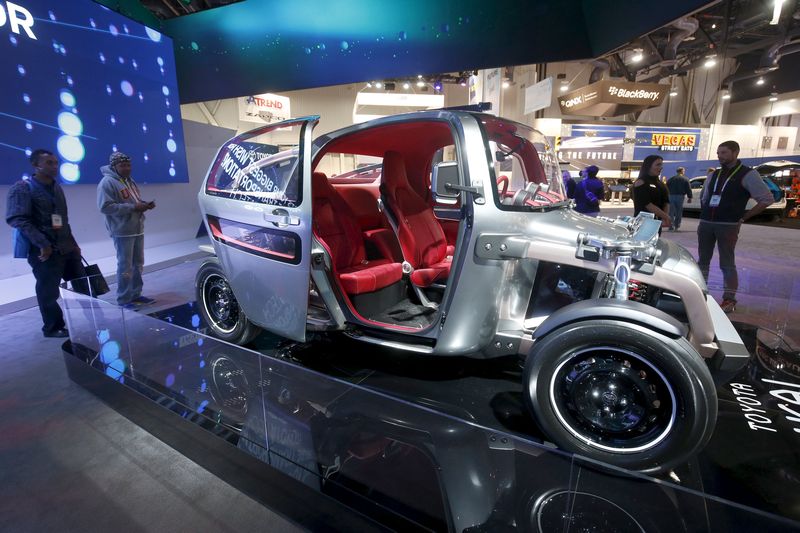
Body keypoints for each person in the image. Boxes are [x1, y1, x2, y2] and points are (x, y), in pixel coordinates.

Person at [6, 149, 85, 337]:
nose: (55, 166)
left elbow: (62, 219)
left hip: (66, 247)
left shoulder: (56, 187)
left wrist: (74, 243)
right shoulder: (22, 188)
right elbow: (18, 219)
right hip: (45, 252)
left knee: (84, 285)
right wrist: (43, 244)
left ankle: (97, 319)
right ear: (36, 165)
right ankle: (53, 327)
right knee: (48, 292)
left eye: (56, 162)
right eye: (50, 163)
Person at [697, 140, 774, 314]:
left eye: (723, 153)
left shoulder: (748, 174)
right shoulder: (714, 174)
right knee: (702, 261)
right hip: (706, 224)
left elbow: (767, 199)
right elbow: (705, 197)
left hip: (728, 225)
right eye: (718, 153)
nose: (719, 156)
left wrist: (745, 217)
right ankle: (699, 293)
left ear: (735, 153)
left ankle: (729, 299)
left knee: (727, 263)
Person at [97, 152, 156, 308]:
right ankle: (123, 299)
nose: (127, 168)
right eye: (122, 165)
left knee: (138, 264)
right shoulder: (107, 183)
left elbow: (133, 201)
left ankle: (136, 294)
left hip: (137, 228)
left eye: (128, 165)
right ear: (113, 166)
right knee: (125, 266)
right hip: (122, 231)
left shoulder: (129, 181)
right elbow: (105, 207)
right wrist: (134, 207)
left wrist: (144, 204)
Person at [633, 155, 671, 232]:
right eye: (658, 164)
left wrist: (664, 217)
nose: (661, 167)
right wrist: (666, 217)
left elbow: (666, 202)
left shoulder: (661, 184)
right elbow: (647, 204)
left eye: (661, 164)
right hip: (643, 223)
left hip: (657, 222)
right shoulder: (640, 182)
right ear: (648, 166)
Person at [666, 166, 692, 231]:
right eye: (684, 171)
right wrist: (690, 197)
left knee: (671, 212)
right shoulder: (685, 179)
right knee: (679, 212)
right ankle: (677, 226)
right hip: (680, 197)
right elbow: (688, 189)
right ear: (682, 171)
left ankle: (670, 226)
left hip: (671, 196)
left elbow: (666, 188)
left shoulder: (671, 179)